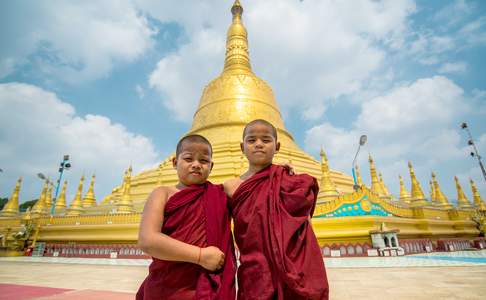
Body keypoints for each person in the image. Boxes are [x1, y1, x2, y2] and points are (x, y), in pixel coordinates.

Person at [224, 119, 329, 300]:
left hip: (295, 269)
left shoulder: (290, 182)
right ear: (242, 147)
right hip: (254, 271)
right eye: (251, 140)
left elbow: (305, 231)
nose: (258, 144)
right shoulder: (231, 187)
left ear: (277, 146)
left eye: (266, 140)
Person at [137, 134, 236, 300]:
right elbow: (148, 240)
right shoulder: (163, 194)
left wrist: (281, 173)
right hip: (167, 289)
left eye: (203, 161)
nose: (196, 165)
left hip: (208, 288)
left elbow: (252, 184)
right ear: (175, 163)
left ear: (211, 166)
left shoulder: (219, 194)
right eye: (189, 158)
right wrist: (200, 255)